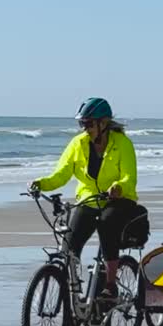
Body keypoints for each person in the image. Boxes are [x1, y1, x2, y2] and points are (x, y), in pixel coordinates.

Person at [29, 97, 140, 301]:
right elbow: (61, 174)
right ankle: (72, 291)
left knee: (107, 224)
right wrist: (41, 183)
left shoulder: (122, 143)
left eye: (88, 123)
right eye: (82, 123)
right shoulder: (78, 144)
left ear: (103, 123)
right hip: (90, 199)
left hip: (119, 199)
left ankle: (110, 285)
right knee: (69, 246)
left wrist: (119, 187)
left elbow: (129, 177)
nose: (84, 128)